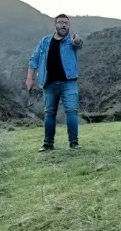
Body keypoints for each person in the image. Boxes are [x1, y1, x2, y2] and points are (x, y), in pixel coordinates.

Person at [26, 14, 84, 151]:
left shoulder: (71, 40)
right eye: (60, 22)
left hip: (68, 83)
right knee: (49, 113)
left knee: (72, 111)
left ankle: (74, 143)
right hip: (49, 83)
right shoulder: (45, 41)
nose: (64, 25)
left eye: (66, 23)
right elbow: (34, 59)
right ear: (55, 25)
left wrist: (77, 40)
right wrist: (29, 78)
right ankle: (48, 144)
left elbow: (78, 43)